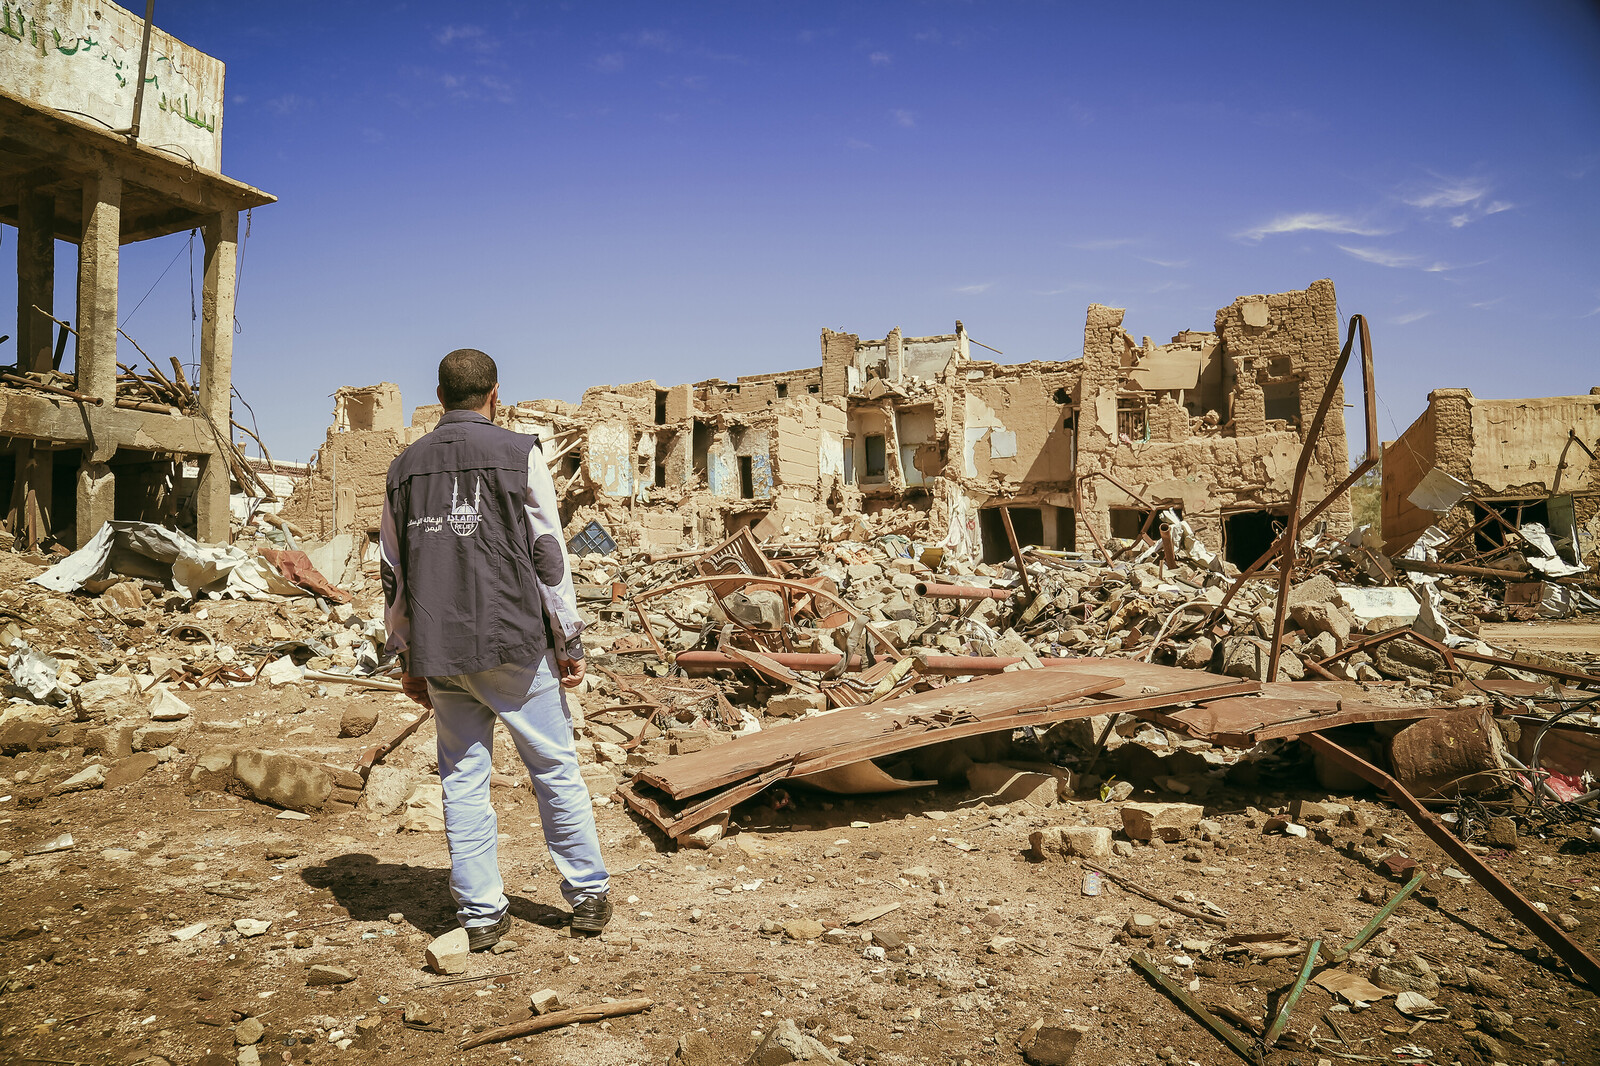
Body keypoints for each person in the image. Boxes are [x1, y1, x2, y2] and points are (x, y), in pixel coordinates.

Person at [379, 348, 611, 951]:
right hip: (513, 641)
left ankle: (481, 913)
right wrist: (569, 638)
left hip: (443, 650)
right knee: (554, 766)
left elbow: (393, 572)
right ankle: (585, 894)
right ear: (495, 394)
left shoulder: (403, 468)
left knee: (462, 778)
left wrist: (405, 654)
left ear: (439, 393)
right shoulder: (520, 453)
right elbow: (549, 553)